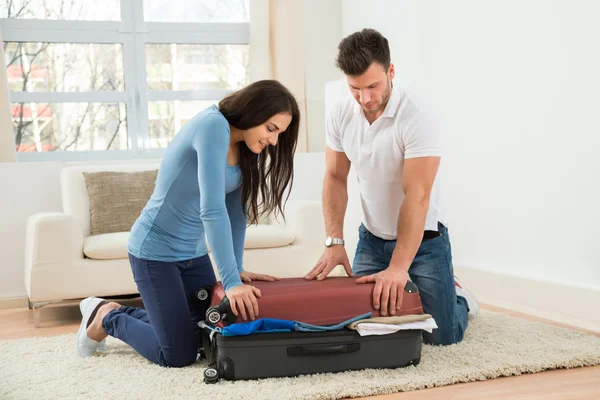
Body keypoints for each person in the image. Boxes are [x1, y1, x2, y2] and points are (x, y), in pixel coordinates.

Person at [77, 80, 300, 367]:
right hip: (154, 253)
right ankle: (107, 317)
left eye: (279, 133)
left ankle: (109, 309)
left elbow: (235, 214)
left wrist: (238, 268)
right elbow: (212, 209)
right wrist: (230, 282)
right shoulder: (212, 125)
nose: (274, 141)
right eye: (271, 129)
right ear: (252, 111)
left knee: (207, 330)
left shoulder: (243, 146)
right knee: (178, 355)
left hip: (193, 255)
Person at [304, 28, 479, 345]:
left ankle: (460, 298)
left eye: (373, 86)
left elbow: (418, 195)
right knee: (362, 326)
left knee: (441, 336)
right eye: (355, 88)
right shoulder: (342, 112)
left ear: (391, 71)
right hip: (371, 239)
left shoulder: (418, 115)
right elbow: (334, 177)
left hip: (424, 240)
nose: (365, 98)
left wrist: (399, 267)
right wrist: (334, 240)